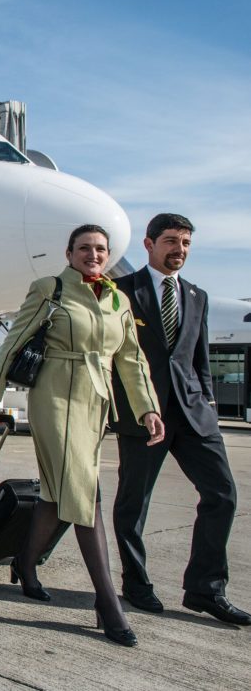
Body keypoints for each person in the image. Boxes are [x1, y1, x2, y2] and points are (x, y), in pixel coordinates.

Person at [0, 224, 165, 647]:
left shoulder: (118, 298)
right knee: (86, 495)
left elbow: (132, 361)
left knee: (59, 493)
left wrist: (148, 408)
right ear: (69, 253)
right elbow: (14, 341)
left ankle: (26, 565)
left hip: (96, 402)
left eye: (100, 249)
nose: (94, 254)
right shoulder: (50, 288)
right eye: (84, 248)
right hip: (54, 398)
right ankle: (107, 601)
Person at [110, 214, 249, 625]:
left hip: (193, 415)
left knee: (222, 496)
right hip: (143, 412)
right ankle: (136, 583)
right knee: (134, 504)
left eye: (186, 243)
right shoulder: (120, 292)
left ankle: (206, 589)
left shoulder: (196, 295)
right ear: (149, 244)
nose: (180, 250)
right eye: (171, 241)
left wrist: (206, 399)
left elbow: (197, 358)